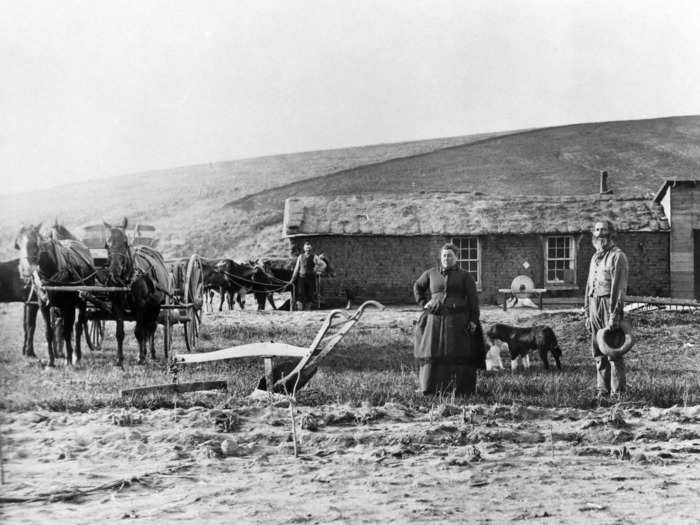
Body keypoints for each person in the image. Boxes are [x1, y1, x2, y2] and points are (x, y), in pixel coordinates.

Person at [413, 243, 483, 396]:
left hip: (458, 321)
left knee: (457, 351)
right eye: (444, 255)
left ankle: (460, 390)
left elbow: (473, 300)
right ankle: (431, 388)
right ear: (441, 257)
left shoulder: (465, 276)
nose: (447, 258)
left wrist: (473, 320)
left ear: (456, 257)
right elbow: (418, 287)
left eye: (450, 255)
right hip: (435, 320)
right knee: (434, 351)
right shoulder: (431, 273)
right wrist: (424, 304)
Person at [584, 220, 629, 403]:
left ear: (611, 233)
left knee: (612, 350)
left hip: (609, 306)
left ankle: (618, 394)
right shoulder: (595, 258)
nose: (600, 233)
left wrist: (614, 315)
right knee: (597, 351)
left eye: (604, 230)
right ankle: (602, 391)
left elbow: (618, 288)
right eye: (597, 230)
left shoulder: (618, 256)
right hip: (594, 305)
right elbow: (588, 286)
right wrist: (587, 313)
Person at [291, 242, 325, 310]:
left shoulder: (314, 257)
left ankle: (307, 310)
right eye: (307, 248)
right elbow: (296, 268)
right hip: (302, 278)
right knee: (300, 294)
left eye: (309, 248)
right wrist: (292, 278)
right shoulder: (300, 257)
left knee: (310, 294)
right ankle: (300, 310)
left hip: (310, 278)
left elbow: (323, 265)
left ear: (311, 249)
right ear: (304, 249)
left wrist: (317, 270)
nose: (308, 250)